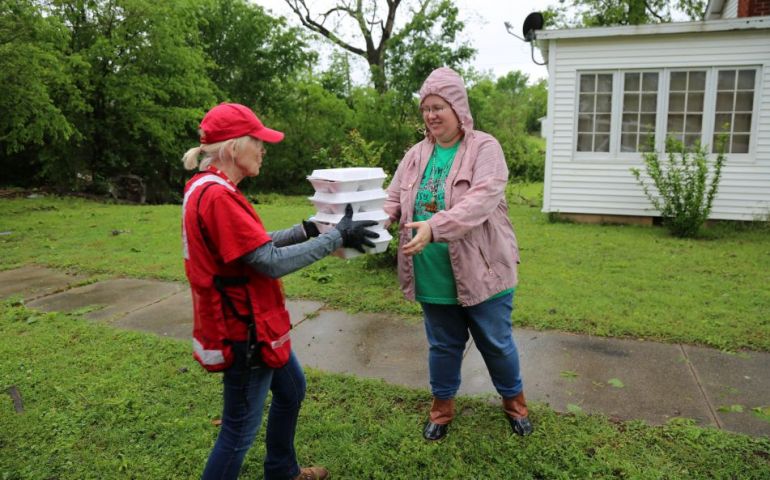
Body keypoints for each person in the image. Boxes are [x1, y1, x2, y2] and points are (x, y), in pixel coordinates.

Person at [181, 102, 378, 480]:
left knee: (291, 390)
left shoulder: (207, 188)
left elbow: (252, 246)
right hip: (246, 333)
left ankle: (283, 471)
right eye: (258, 141)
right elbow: (269, 261)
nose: (263, 149)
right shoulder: (219, 197)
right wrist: (337, 236)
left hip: (258, 326)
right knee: (237, 433)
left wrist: (305, 230)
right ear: (234, 147)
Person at [383, 67, 533, 441]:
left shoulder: (485, 148)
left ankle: (515, 404)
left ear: (458, 107)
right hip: (432, 272)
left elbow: (482, 199)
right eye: (425, 108)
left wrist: (435, 227)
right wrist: (367, 225)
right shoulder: (416, 154)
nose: (431, 115)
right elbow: (392, 199)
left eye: (439, 107)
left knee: (496, 344)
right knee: (443, 345)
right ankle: (442, 409)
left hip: (482, 270)